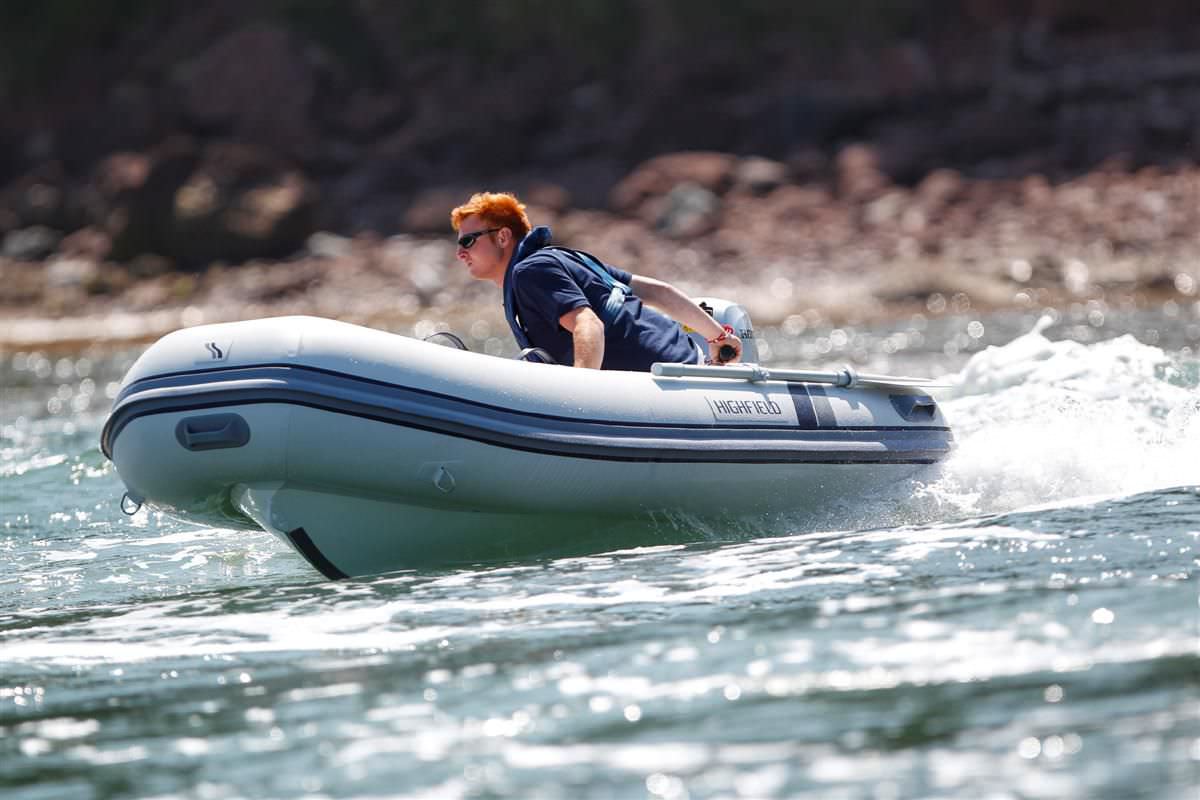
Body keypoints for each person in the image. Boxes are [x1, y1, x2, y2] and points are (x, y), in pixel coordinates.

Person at [449, 191, 742, 371]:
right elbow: (659, 292)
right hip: (686, 361)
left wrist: (581, 399)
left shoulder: (530, 272)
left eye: (468, 241)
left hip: (667, 379)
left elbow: (589, 325)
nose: (460, 252)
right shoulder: (563, 259)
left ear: (503, 237)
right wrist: (719, 337)